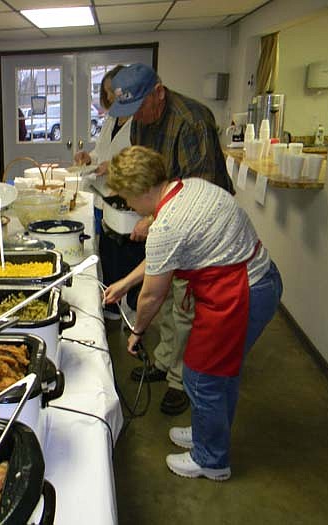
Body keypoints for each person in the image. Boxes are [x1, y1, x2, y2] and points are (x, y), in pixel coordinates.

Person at [105, 145, 282, 480]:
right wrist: (126, 283)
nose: (127, 205)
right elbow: (163, 256)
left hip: (243, 291)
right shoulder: (189, 188)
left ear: (142, 191)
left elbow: (153, 295)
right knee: (219, 373)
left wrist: (137, 331)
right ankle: (207, 432)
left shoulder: (166, 223)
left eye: (126, 197)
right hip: (253, 280)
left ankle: (212, 459)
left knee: (203, 377)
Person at [108, 62, 234, 415]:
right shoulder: (140, 120)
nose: (135, 118)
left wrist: (153, 217)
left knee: (183, 306)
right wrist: (150, 214)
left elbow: (201, 186)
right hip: (164, 216)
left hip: (195, 227)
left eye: (138, 108)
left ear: (158, 93)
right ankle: (163, 361)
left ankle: (180, 379)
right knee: (164, 300)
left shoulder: (192, 120)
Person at [75, 65, 144, 320]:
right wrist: (88, 157)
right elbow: (101, 150)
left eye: (113, 92)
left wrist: (112, 167)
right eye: (106, 93)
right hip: (102, 194)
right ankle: (111, 303)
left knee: (127, 254)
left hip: (127, 198)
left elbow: (139, 160)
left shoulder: (139, 121)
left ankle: (129, 308)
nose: (110, 98)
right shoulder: (112, 119)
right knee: (107, 253)